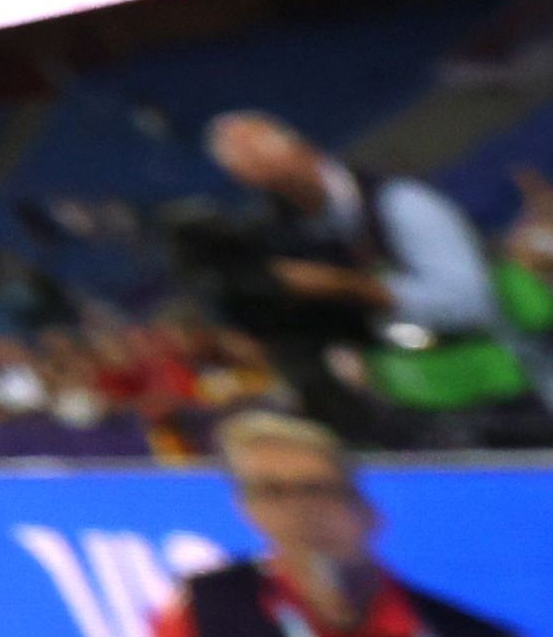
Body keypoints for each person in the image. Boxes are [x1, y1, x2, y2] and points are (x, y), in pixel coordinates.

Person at [148, 409, 543, 637]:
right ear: (247, 510)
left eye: (319, 490)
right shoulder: (203, 613)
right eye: (272, 492)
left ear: (370, 509)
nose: (301, 512)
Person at [206, 112, 514, 431]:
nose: (257, 170)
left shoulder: (399, 202)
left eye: (258, 152)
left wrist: (350, 287)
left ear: (300, 146)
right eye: (243, 165)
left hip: (498, 387)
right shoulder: (284, 233)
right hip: (408, 403)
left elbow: (474, 303)